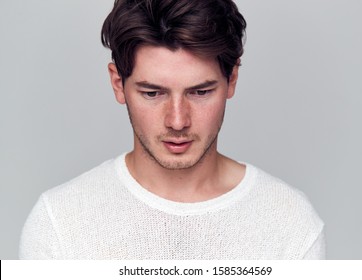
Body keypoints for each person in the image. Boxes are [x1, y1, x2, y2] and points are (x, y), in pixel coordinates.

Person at [19, 0, 325, 259]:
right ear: (118, 84)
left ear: (231, 80)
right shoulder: (59, 223)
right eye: (152, 93)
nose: (177, 121)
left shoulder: (290, 222)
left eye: (200, 92)